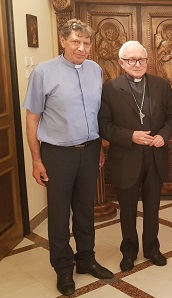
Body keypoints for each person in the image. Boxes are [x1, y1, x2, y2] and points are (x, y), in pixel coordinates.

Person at [23, 19, 114, 296]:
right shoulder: (43, 72)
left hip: (89, 151)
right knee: (60, 215)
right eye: (76, 41)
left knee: (86, 211)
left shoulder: (96, 70)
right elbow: (32, 118)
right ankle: (63, 268)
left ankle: (86, 259)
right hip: (57, 154)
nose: (82, 48)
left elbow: (96, 115)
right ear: (63, 41)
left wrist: (99, 147)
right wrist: (36, 159)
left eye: (87, 43)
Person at [98, 41, 172, 272]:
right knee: (128, 209)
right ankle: (129, 251)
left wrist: (164, 135)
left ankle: (152, 248)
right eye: (131, 60)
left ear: (148, 61)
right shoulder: (110, 89)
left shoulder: (162, 85)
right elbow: (104, 125)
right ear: (122, 63)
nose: (137, 64)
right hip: (126, 158)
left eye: (141, 59)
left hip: (155, 156)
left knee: (152, 207)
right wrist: (130, 135)